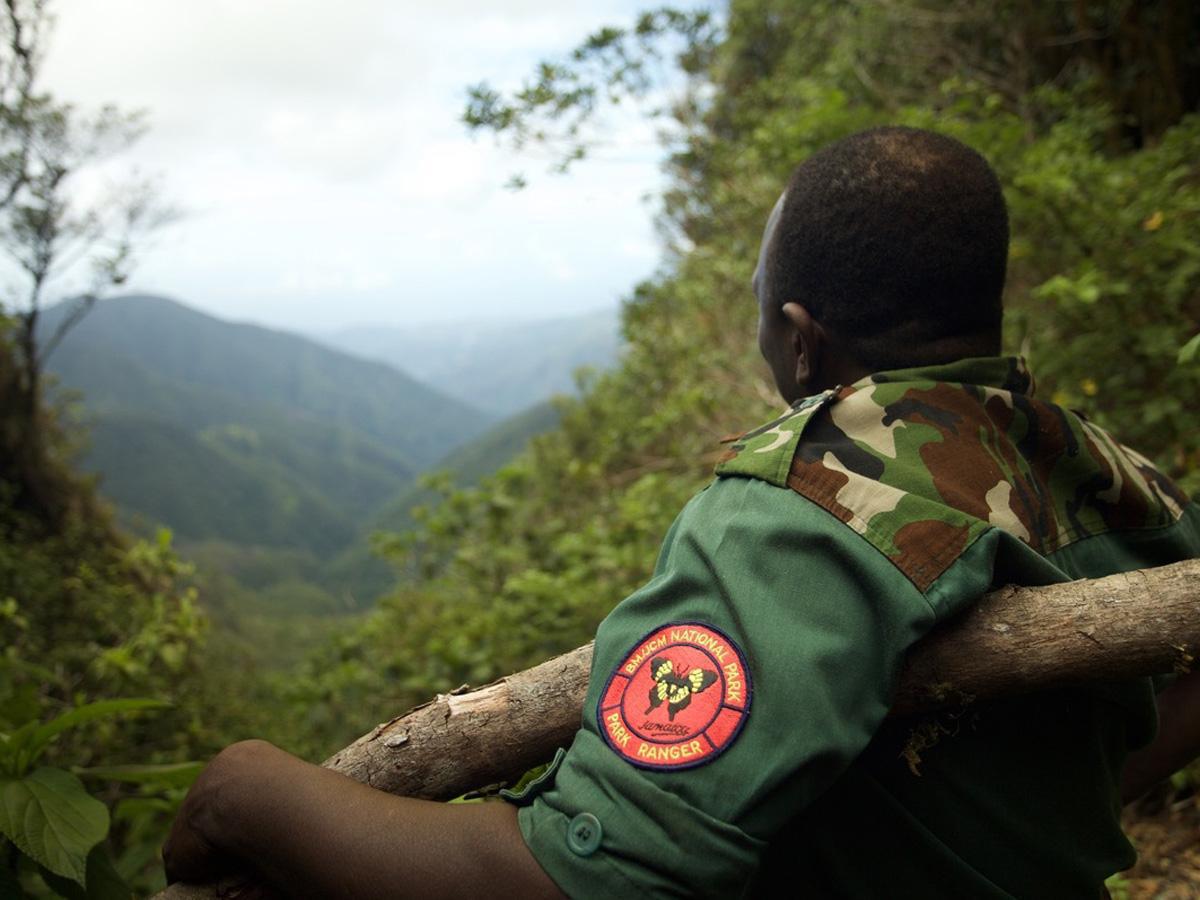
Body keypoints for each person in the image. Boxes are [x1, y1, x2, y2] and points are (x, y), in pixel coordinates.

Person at [164, 127, 1200, 898]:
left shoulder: (802, 512)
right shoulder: (1109, 472)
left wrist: (242, 791)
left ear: (800, 339)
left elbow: (588, 877)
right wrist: (1036, 797)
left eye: (758, 305)